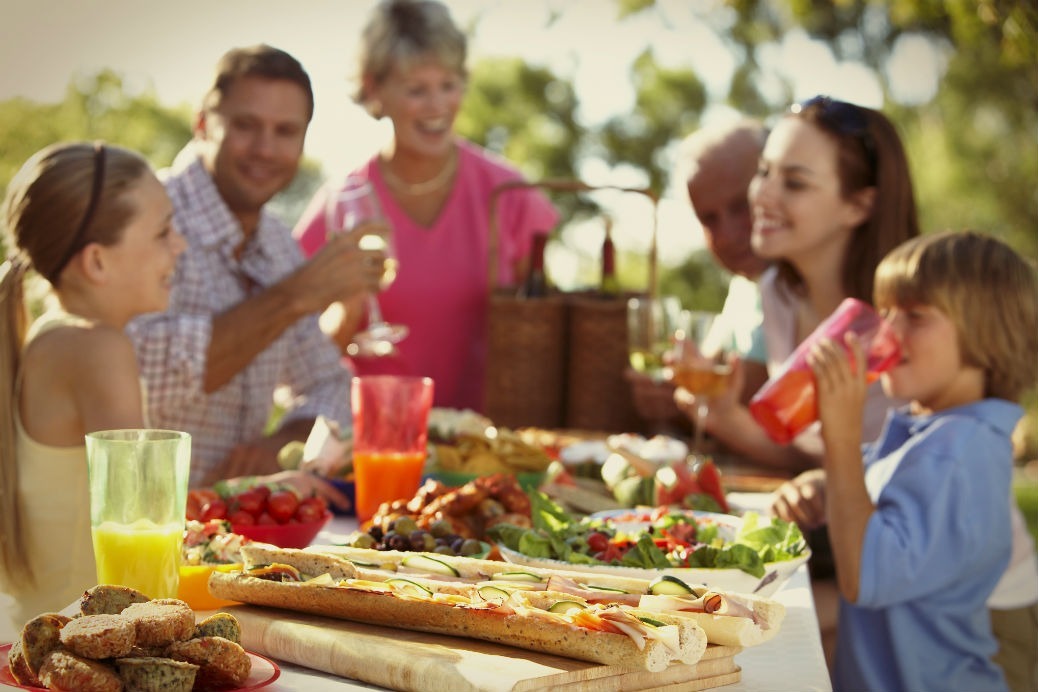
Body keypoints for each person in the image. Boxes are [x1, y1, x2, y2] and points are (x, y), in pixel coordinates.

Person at [127, 45, 383, 496]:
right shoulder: (143, 216)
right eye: (246, 126)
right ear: (203, 123)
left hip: (222, 533)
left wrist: (283, 441)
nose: (265, 149)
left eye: (285, 131)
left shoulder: (278, 245)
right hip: (130, 525)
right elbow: (139, 376)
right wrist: (295, 296)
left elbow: (331, 385)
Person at [292, 0, 558, 413]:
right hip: (370, 442)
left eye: (449, 84)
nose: (437, 106)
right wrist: (349, 304)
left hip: (482, 444)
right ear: (375, 89)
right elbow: (299, 360)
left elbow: (545, 330)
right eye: (417, 89)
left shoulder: (508, 193)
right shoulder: (341, 202)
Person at [805, 230, 1037, 692]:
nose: (887, 331)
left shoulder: (959, 452)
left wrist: (842, 435)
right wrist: (820, 482)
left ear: (985, 332)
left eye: (915, 316)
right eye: (886, 311)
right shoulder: (928, 430)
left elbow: (862, 575)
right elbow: (866, 496)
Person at [0, 142, 186, 635]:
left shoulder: (53, 333)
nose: (179, 245)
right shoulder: (97, 348)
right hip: (87, 646)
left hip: (48, 637)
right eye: (163, 231)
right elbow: (146, 516)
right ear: (98, 262)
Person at [676, 96, 919, 472]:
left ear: (858, 206)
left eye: (794, 183)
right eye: (764, 172)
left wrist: (829, 486)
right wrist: (723, 417)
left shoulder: (912, 322)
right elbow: (812, 456)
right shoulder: (777, 293)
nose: (762, 196)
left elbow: (923, 474)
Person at [626, 119, 770, 435]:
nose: (729, 235)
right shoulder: (745, 285)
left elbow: (753, 395)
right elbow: (706, 368)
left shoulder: (807, 281)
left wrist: (685, 397)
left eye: (741, 206)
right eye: (709, 219)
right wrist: (672, 392)